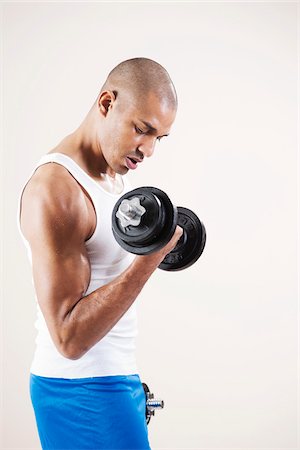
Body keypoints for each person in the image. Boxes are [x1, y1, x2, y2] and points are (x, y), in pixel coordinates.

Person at [18, 57, 182, 450]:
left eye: (159, 138)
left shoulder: (113, 177)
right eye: (142, 130)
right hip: (78, 391)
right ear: (106, 103)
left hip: (113, 381)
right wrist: (148, 262)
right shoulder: (57, 190)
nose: (148, 150)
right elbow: (69, 338)